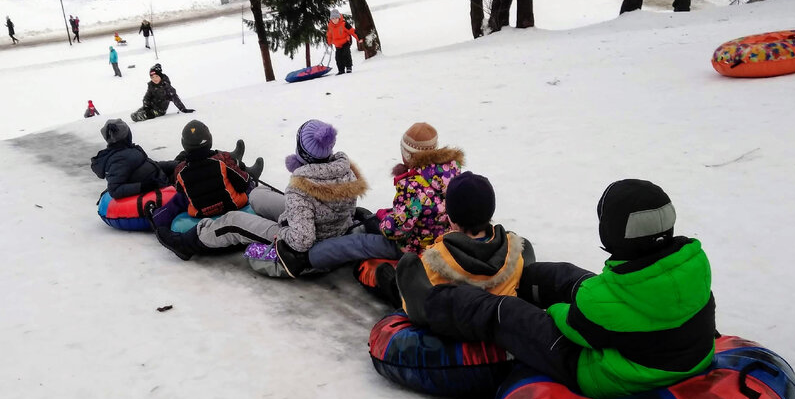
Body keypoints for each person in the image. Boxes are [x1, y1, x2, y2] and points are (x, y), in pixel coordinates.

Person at [418, 179, 716, 399]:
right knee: (567, 278)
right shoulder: (696, 267)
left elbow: (572, 321)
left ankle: (437, 302)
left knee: (506, 312)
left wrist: (552, 308)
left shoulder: (596, 304)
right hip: (680, 357)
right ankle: (526, 279)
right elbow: (609, 300)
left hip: (606, 373)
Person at [154, 120, 366, 262]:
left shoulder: (301, 186)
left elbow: (301, 241)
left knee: (232, 221)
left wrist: (281, 227)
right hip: (322, 221)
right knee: (257, 194)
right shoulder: (345, 169)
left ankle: (187, 243)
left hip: (301, 238)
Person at [275, 121, 463, 279]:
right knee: (371, 221)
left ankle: (308, 259)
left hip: (414, 247)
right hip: (439, 238)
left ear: (408, 155)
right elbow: (426, 208)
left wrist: (385, 222)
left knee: (359, 243)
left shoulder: (414, 186)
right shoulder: (450, 172)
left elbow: (396, 229)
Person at [394, 173, 530, 326]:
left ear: (451, 218)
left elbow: (416, 304)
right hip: (500, 325)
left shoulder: (436, 260)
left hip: (456, 330)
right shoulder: (513, 252)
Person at [152, 121, 263, 223]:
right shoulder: (221, 161)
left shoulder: (180, 170)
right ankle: (247, 171)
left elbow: (180, 190)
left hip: (200, 213)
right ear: (210, 140)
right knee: (241, 180)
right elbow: (243, 184)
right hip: (233, 206)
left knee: (182, 196)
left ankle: (157, 216)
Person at [90, 118, 170, 200]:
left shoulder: (129, 150)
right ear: (127, 135)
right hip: (155, 192)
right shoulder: (118, 159)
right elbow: (115, 189)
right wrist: (144, 186)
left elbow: (149, 164)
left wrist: (173, 164)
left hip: (161, 182)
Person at [326, 8, 358, 75]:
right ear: (331, 19)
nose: (334, 20)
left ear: (339, 17)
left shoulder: (344, 24)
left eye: (336, 18)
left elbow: (352, 31)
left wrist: (359, 38)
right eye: (333, 19)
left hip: (346, 41)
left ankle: (349, 67)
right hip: (337, 44)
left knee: (346, 54)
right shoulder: (330, 26)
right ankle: (341, 70)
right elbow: (329, 35)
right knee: (338, 57)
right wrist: (329, 42)